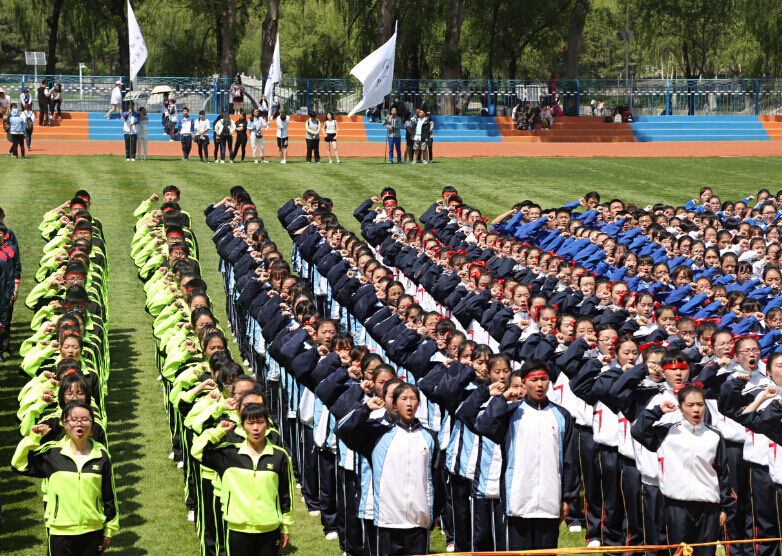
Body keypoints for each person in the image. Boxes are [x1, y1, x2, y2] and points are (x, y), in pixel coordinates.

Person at [337, 383, 439, 556]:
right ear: (394, 404)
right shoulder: (377, 433)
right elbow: (342, 429)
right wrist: (365, 408)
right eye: (403, 399)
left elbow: (435, 478)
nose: (409, 403)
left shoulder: (429, 437)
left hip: (418, 522)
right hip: (387, 521)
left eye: (413, 398)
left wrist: (435, 512)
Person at [632, 386, 733, 556]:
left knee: (705, 553)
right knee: (678, 552)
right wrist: (657, 411)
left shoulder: (715, 435)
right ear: (680, 407)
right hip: (676, 506)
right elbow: (638, 430)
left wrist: (724, 508)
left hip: (708, 508)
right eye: (690, 405)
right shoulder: (667, 432)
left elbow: (723, 474)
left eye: (700, 404)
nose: (696, 409)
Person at [12, 400, 119, 556]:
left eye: (85, 420)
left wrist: (109, 529)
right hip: (60, 533)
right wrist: (32, 439)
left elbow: (109, 495)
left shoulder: (101, 455)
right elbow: (18, 464)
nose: (79, 424)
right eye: (74, 420)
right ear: (64, 422)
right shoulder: (52, 453)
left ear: (92, 424)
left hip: (93, 532)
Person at [191, 403, 294, 556]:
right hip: (236, 531)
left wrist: (285, 527)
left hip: (270, 530)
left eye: (260, 422)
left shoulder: (279, 456)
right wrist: (217, 432)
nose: (255, 428)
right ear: (242, 426)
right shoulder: (229, 454)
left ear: (268, 425)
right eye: (250, 423)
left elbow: (286, 495)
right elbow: (197, 451)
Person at [0, 221, 20, 362]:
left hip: (5, 292)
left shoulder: (9, 251)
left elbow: (16, 270)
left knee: (5, 321)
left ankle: (3, 349)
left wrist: (14, 290)